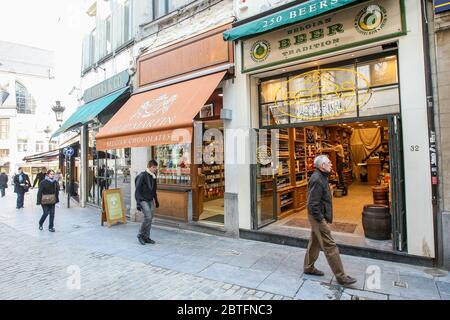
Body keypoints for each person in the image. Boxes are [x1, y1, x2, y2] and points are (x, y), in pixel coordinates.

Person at [303, 155, 357, 286]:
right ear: (322, 166)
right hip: (317, 216)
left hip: (317, 215)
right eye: (329, 163)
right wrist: (321, 219)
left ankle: (308, 267)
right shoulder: (317, 179)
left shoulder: (322, 176)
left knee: (315, 242)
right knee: (330, 245)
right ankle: (341, 276)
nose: (332, 164)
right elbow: (312, 203)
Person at [135, 160, 159, 245]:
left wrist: (156, 200)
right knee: (148, 217)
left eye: (156, 167)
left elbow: (154, 190)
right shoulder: (142, 176)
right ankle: (140, 234)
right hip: (143, 199)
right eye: (154, 167)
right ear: (150, 167)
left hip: (150, 200)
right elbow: (137, 190)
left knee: (150, 218)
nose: (155, 169)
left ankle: (146, 237)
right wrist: (138, 203)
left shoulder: (153, 176)